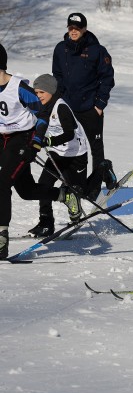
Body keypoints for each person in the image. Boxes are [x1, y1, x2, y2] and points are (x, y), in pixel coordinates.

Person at [0, 44, 82, 259]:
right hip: (3, 140)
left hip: (22, 138)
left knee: (2, 184)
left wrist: (35, 143)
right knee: (26, 191)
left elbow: (43, 114)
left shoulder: (18, 88)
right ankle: (63, 195)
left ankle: (1, 237)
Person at [52, 12, 116, 201]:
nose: (74, 31)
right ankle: (74, 183)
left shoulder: (97, 50)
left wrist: (100, 104)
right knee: (71, 145)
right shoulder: (60, 49)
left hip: (90, 108)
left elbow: (107, 78)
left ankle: (95, 185)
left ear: (84, 29)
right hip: (68, 108)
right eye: (71, 28)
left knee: (96, 148)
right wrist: (58, 102)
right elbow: (57, 76)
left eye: (77, 29)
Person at [27, 74, 88, 237]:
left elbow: (69, 134)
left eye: (41, 92)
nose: (38, 96)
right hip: (58, 154)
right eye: (36, 92)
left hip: (75, 155)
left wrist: (49, 141)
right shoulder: (42, 107)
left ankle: (104, 169)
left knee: (78, 190)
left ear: (51, 91)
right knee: (43, 185)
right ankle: (46, 223)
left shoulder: (61, 107)